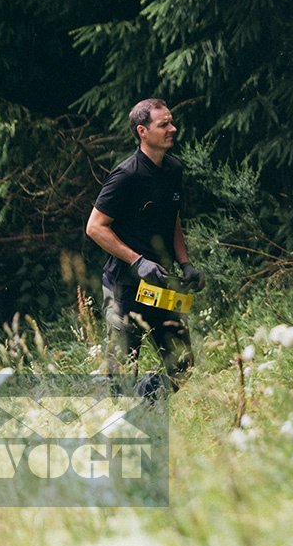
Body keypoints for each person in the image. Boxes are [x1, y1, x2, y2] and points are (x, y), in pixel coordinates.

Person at [86, 98, 205, 389]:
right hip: (125, 286)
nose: (172, 129)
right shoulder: (126, 176)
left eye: (171, 122)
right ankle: (114, 418)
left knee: (182, 365)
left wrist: (185, 263)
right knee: (122, 376)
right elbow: (95, 227)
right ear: (142, 131)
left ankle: (148, 404)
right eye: (164, 124)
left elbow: (172, 220)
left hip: (161, 284)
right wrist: (137, 261)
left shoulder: (174, 169)